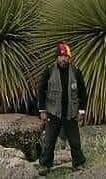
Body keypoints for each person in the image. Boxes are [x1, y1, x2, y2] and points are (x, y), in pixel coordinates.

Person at [37, 41, 87, 175]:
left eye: (67, 57)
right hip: (53, 113)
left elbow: (83, 92)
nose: (65, 59)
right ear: (57, 57)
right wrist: (42, 110)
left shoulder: (76, 71)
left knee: (75, 141)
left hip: (71, 113)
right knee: (49, 141)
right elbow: (41, 90)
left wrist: (82, 111)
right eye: (62, 56)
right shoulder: (48, 71)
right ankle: (45, 165)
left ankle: (79, 163)